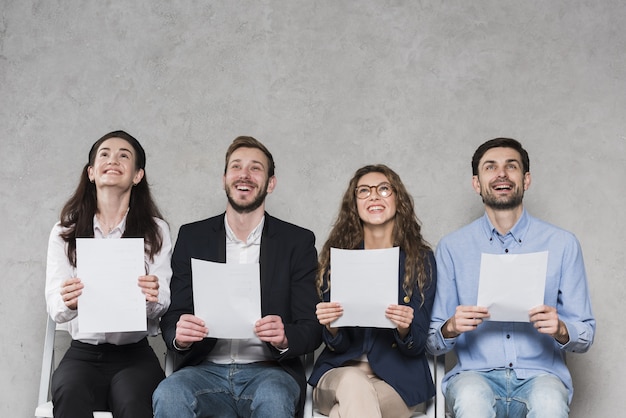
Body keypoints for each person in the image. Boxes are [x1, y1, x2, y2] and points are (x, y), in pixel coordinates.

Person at [152, 136, 322, 418]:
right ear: (224, 179)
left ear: (270, 183)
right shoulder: (193, 237)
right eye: (236, 167)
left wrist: (284, 337)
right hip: (203, 370)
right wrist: (179, 337)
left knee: (274, 397)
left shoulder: (297, 242)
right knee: (168, 394)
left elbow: (312, 327)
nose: (244, 174)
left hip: (270, 372)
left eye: (255, 168)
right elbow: (173, 316)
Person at [427, 138, 595, 417]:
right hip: (474, 375)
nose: (501, 174)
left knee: (550, 403)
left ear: (526, 180)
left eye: (511, 166)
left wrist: (561, 329)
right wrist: (451, 327)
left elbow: (586, 333)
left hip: (542, 376)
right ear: (476, 183)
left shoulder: (563, 244)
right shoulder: (452, 248)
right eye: (490, 167)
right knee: (471, 399)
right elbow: (431, 340)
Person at [45, 130, 172, 418]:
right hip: (83, 352)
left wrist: (152, 297)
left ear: (137, 175)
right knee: (69, 391)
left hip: (134, 354)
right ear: (91, 172)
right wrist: (69, 301)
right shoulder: (65, 232)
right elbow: (54, 306)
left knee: (133, 401)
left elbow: (163, 300)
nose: (113, 160)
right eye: (104, 154)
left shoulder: (156, 231)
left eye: (123, 155)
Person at [308, 164, 437, 418]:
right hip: (338, 373)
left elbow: (418, 343)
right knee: (353, 381)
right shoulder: (337, 258)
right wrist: (332, 326)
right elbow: (335, 344)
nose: (374, 196)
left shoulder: (420, 260)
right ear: (354, 203)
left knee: (341, 413)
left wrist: (404, 328)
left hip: (396, 383)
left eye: (384, 189)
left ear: (397, 199)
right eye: (364, 191)